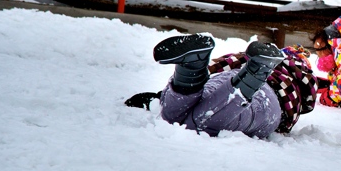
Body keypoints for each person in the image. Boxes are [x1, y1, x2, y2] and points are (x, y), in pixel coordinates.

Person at [128, 33, 320, 138]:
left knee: (172, 117)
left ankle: (190, 68)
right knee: (202, 123)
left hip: (227, 78)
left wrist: (161, 95)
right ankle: (255, 74)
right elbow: (307, 105)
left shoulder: (242, 56)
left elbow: (217, 66)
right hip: (268, 101)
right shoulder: (302, 76)